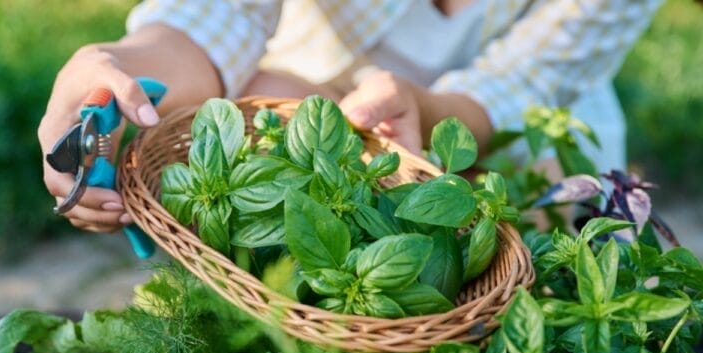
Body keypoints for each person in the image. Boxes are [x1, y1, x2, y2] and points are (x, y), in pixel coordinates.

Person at [38, 0, 662, 234]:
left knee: (534, 233)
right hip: (309, 92)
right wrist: (111, 65)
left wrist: (430, 113)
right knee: (238, 117)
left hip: (507, 130)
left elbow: (526, 81)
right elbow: (216, 16)